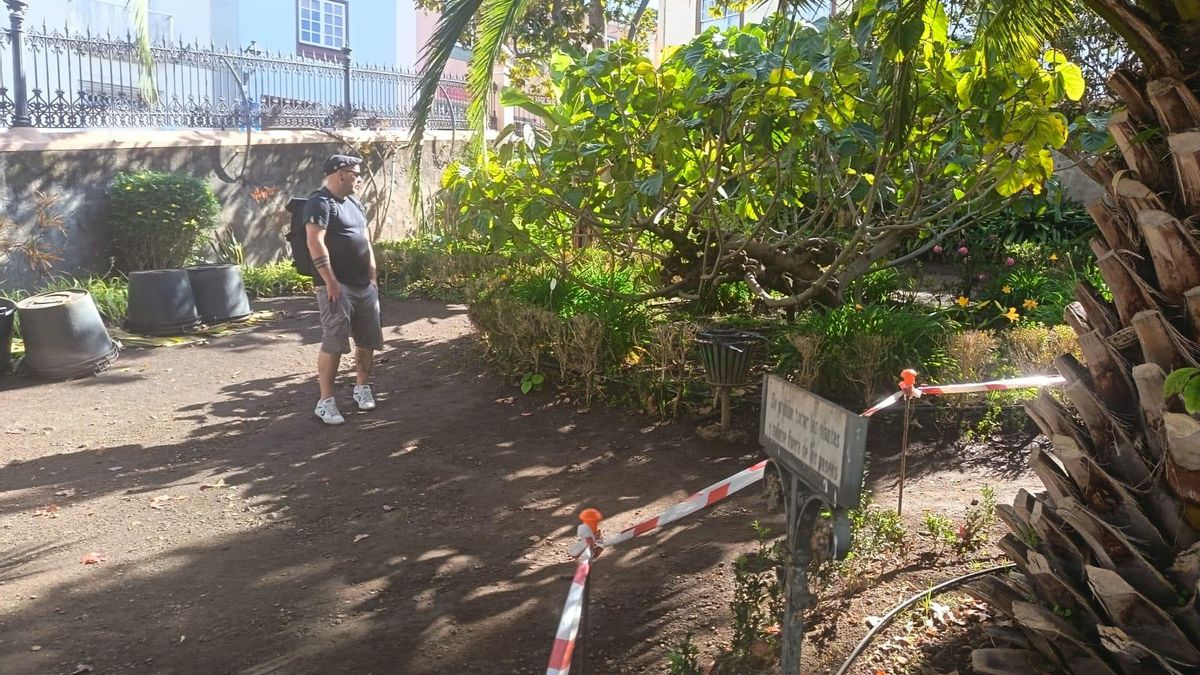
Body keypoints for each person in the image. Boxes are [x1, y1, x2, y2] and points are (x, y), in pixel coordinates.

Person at [303, 154, 382, 425]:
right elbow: (315, 242)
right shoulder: (319, 202)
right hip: (337, 287)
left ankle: (362, 388)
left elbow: (365, 240)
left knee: (367, 340)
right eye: (354, 173)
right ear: (339, 173)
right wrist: (331, 281)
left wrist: (372, 276)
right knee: (334, 342)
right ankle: (325, 402)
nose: (358, 177)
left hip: (363, 285)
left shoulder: (354, 203)